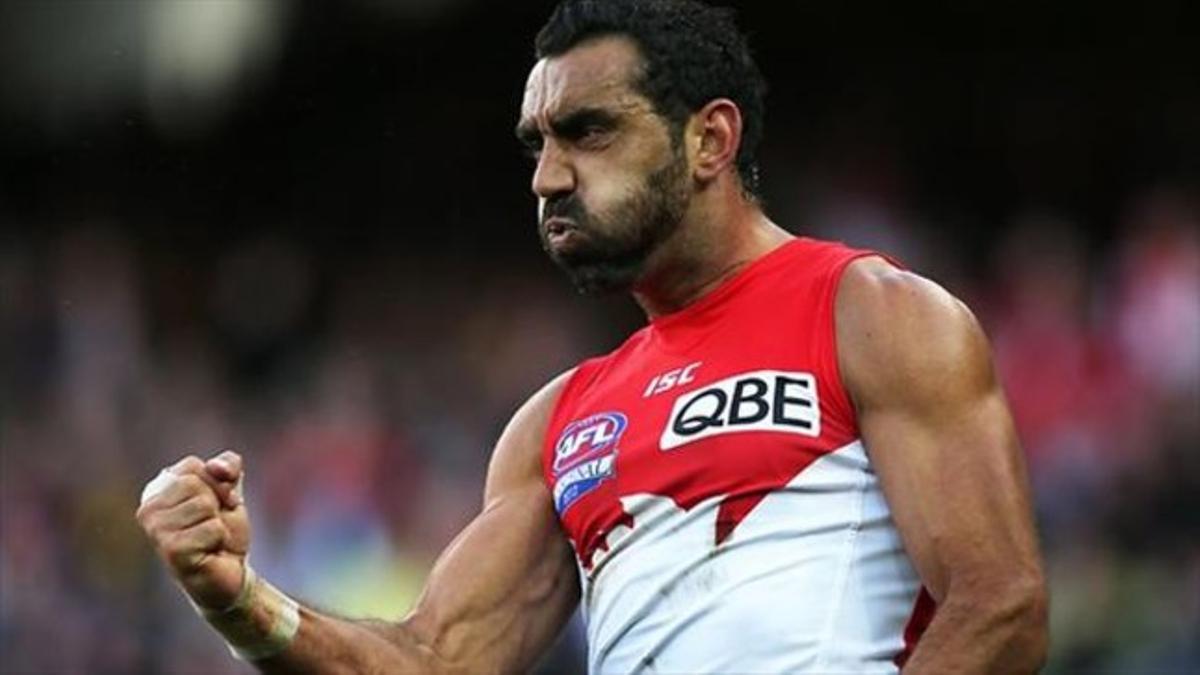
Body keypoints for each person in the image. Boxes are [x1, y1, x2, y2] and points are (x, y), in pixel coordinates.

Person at [136, 0, 1048, 672]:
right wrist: (238, 597)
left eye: (588, 132)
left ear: (710, 140)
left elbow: (1000, 609)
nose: (546, 178)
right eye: (536, 142)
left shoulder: (871, 313)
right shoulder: (558, 422)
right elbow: (432, 658)